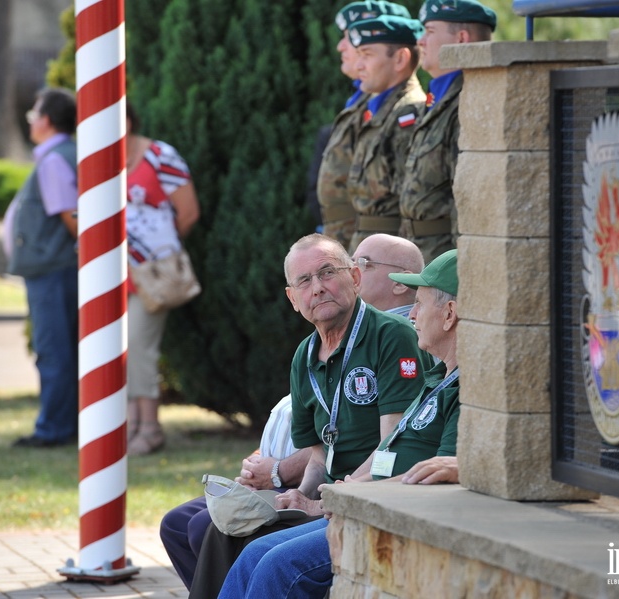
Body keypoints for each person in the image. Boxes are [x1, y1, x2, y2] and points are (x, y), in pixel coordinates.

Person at [161, 233, 424, 590]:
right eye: (304, 281)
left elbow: (390, 447)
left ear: (355, 278)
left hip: (368, 500)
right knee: (218, 530)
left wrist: (326, 500)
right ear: (293, 299)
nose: (317, 288)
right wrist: (299, 494)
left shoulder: (391, 336)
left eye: (328, 272)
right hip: (329, 497)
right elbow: (319, 453)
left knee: (255, 551)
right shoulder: (305, 354)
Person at [217, 249, 461, 599]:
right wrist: (324, 492)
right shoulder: (436, 376)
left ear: (450, 313)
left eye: (419, 304)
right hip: (360, 502)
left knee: (275, 565)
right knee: (247, 548)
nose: (411, 313)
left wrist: (346, 496)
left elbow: (435, 477)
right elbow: (356, 452)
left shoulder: (456, 383)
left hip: (392, 518)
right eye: (304, 281)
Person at [5, 87, 80, 448]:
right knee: (62, 349)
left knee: (54, 351)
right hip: (58, 269)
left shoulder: (53, 159)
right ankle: (65, 424)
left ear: (46, 121)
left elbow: (73, 219)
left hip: (54, 270)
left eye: (33, 115)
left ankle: (53, 428)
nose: (32, 122)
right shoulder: (65, 154)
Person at [124, 102, 200, 455]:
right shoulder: (97, 157)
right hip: (111, 277)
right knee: (116, 350)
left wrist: (156, 255)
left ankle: (149, 428)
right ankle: (125, 425)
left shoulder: (159, 155)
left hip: (150, 276)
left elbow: (187, 212)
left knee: (139, 347)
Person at [399, 0, 496, 262]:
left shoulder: (469, 100)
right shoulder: (438, 99)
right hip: (421, 251)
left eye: (429, 31)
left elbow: (466, 198)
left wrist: (456, 270)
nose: (420, 41)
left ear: (461, 39)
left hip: (443, 257)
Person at [317, 1, 412, 248]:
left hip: (374, 244)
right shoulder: (363, 105)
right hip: (350, 238)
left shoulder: (401, 110)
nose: (343, 47)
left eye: (365, 50)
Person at [345, 14, 426, 253]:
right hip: (369, 246)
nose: (359, 65)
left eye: (367, 55)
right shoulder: (381, 110)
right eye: (358, 55)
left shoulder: (407, 114)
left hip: (388, 252)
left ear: (400, 58)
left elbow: (409, 202)